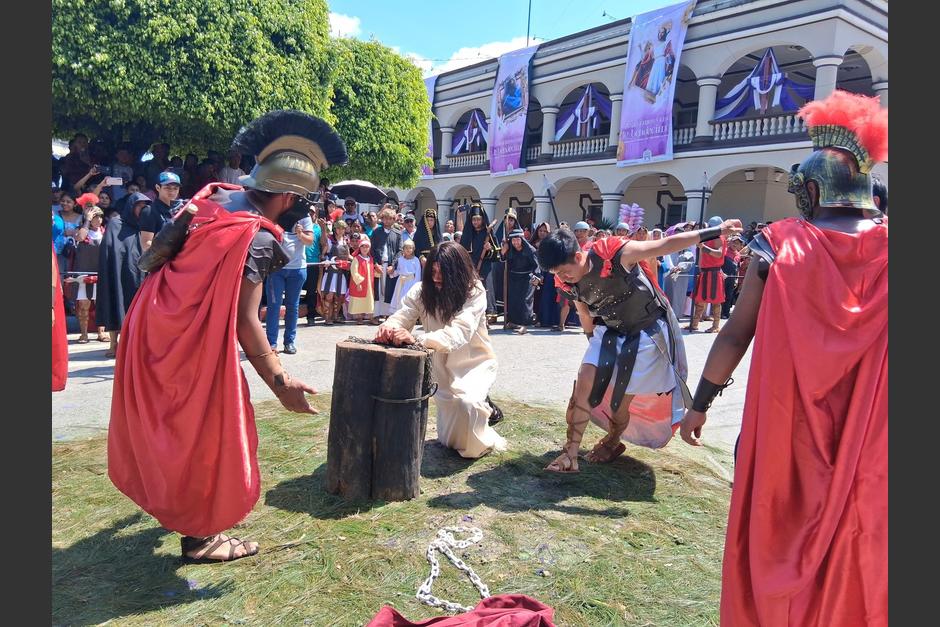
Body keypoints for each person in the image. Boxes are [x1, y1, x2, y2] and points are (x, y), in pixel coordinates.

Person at [679, 90, 888, 626]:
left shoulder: (780, 244)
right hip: (874, 437)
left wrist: (699, 404)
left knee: (779, 538)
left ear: (812, 190)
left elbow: (734, 335)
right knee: (860, 545)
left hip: (787, 431)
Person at [108, 110, 345, 563]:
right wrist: (281, 382)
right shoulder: (256, 237)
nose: (306, 209)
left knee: (170, 428)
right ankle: (201, 539)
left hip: (151, 324)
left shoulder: (215, 195)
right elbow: (245, 320)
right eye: (304, 200)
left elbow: (159, 256)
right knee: (205, 432)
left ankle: (175, 508)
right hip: (187, 342)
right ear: (286, 197)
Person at [536, 216, 741, 473]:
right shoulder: (565, 279)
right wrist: (592, 343)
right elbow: (584, 311)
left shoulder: (615, 253)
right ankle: (570, 454)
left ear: (578, 257)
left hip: (647, 332)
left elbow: (666, 245)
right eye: (557, 274)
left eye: (565, 271)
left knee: (619, 403)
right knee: (584, 382)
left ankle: (613, 439)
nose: (564, 278)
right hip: (610, 330)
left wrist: (717, 231)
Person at [376, 242, 508, 458]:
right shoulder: (421, 290)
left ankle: (483, 409)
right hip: (442, 368)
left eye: (443, 273)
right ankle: (484, 408)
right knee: (449, 440)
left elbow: (459, 333)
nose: (437, 278)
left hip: (473, 361)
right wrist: (388, 328)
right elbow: (404, 315)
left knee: (468, 407)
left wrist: (416, 339)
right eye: (434, 272)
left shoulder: (474, 292)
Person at [96, 192, 152, 358]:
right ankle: (114, 343)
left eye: (145, 206)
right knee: (116, 302)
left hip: (140, 273)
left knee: (139, 309)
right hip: (118, 271)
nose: (142, 209)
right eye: (139, 205)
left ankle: (137, 344)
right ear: (131, 206)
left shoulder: (146, 224)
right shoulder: (116, 223)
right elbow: (109, 249)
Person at [265, 207, 314, 354]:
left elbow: (310, 241)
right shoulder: (275, 212)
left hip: (297, 268)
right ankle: (271, 343)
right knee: (274, 306)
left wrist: (300, 234)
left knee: (293, 306)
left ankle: (289, 342)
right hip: (276, 268)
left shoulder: (304, 216)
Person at [68, 206, 108, 343]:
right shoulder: (81, 231)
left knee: (100, 304)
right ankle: (84, 334)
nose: (99, 219)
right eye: (95, 217)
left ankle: (101, 332)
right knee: (84, 305)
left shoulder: (105, 232)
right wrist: (87, 220)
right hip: (84, 273)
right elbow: (80, 237)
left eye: (100, 217)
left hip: (101, 273)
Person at [458, 203, 499, 320]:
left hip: (485, 266)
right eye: (474, 219)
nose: (476, 222)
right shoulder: (468, 232)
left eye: (478, 219)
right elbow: (462, 250)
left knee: (486, 288)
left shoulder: (488, 233)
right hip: (471, 266)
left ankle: (489, 313)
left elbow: (496, 254)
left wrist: (489, 249)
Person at [687, 216, 727, 333]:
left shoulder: (718, 237)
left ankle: (715, 326)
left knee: (715, 300)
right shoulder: (708, 237)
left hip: (714, 272)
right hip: (705, 272)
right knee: (700, 300)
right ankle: (694, 324)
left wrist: (704, 247)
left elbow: (719, 254)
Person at [500, 228, 540, 334]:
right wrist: (503, 253)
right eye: (513, 240)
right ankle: (513, 322)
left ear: (522, 239)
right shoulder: (510, 249)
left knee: (525, 301)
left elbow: (536, 265)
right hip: (513, 278)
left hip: (527, 278)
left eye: (517, 239)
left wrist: (537, 276)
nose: (515, 242)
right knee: (513, 301)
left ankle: (525, 324)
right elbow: (504, 261)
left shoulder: (530, 250)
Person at [370, 206, 403, 322]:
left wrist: (393, 265)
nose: (387, 221)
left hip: (390, 266)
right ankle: (376, 314)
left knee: (390, 290)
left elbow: (399, 251)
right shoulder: (376, 232)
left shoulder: (398, 234)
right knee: (378, 291)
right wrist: (375, 264)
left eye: (390, 219)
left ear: (394, 220)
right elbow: (372, 249)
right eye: (385, 218)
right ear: (382, 219)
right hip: (379, 265)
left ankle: (388, 314)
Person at [139, 171, 184, 250]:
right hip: (161, 260)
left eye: (175, 188)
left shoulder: (182, 209)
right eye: (167, 188)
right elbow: (146, 244)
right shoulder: (149, 211)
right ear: (158, 188)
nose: (172, 191)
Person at [303, 212, 329, 327]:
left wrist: (323, 229)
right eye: (308, 212)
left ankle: (311, 316)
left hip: (313, 263)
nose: (310, 214)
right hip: (300, 262)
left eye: (313, 212)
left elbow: (324, 244)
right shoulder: (301, 225)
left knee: (311, 291)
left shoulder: (318, 227)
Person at [320, 242, 351, 325]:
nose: (343, 254)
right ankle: (327, 318)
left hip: (341, 277)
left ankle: (335, 317)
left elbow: (348, 265)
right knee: (328, 297)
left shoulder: (345, 260)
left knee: (339, 297)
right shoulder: (329, 257)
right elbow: (323, 258)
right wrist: (325, 261)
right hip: (330, 277)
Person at [348, 235, 377, 324]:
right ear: (360, 248)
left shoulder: (371, 259)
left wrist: (378, 273)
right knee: (359, 300)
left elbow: (372, 270)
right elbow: (354, 271)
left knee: (369, 300)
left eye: (367, 247)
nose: (365, 248)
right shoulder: (357, 259)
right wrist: (358, 282)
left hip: (369, 283)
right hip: (361, 283)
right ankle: (359, 317)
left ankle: (371, 317)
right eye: (363, 246)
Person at [388, 239, 422, 314]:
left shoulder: (415, 260)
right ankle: (401, 314)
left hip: (411, 282)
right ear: (403, 249)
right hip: (401, 282)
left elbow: (418, 273)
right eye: (406, 248)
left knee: (409, 299)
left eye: (410, 248)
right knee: (400, 298)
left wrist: (415, 285)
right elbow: (399, 271)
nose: (408, 250)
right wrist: (392, 273)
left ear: (413, 249)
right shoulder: (400, 260)